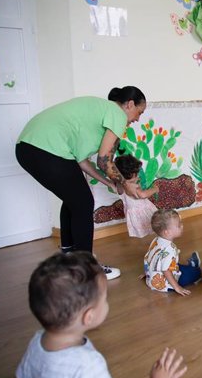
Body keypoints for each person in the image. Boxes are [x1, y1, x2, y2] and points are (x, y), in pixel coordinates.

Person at [15, 86, 147, 280]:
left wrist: (109, 183)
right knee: (83, 202)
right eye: (139, 112)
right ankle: (86, 267)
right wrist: (126, 184)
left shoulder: (99, 111)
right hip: (45, 149)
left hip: (27, 148)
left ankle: (69, 257)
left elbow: (81, 161)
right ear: (129, 104)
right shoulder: (117, 114)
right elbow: (104, 160)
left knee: (74, 200)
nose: (137, 119)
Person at [12, 251, 187, 378]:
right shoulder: (87, 364)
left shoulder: (37, 342)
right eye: (104, 299)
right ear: (89, 316)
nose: (107, 302)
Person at [144, 209, 202, 296]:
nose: (182, 226)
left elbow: (150, 257)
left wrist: (148, 272)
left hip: (152, 280)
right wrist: (177, 287)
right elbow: (166, 270)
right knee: (196, 272)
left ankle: (192, 265)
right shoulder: (170, 249)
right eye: (179, 225)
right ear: (167, 232)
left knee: (177, 265)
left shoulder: (156, 240)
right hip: (165, 284)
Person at [115, 154, 159, 238]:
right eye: (136, 174)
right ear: (132, 174)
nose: (138, 176)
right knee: (154, 227)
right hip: (142, 212)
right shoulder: (133, 187)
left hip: (133, 212)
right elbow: (143, 195)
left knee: (147, 231)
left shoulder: (120, 184)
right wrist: (155, 189)